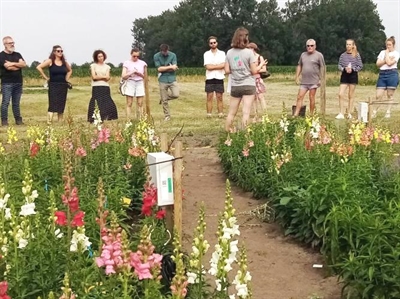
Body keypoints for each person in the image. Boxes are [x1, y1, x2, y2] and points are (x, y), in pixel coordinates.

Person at [224, 27, 261, 131]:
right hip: (248, 84)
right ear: (246, 38)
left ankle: (227, 133)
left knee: (231, 112)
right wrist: (261, 65)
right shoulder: (249, 53)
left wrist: (236, 70)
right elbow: (254, 71)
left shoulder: (229, 52)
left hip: (235, 85)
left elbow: (227, 70)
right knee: (246, 112)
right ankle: (245, 136)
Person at [37, 45, 72, 124]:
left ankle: (60, 122)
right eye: (58, 51)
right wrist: (46, 77)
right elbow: (39, 67)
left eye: (61, 51)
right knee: (52, 103)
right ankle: (49, 121)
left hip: (63, 85)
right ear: (54, 52)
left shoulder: (64, 62)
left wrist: (66, 79)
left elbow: (70, 70)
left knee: (61, 104)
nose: (60, 52)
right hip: (53, 85)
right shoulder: (50, 61)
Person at [294, 39, 325, 116]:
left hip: (314, 81)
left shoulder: (319, 55)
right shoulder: (303, 55)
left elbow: (322, 67)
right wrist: (297, 76)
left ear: (315, 46)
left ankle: (311, 115)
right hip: (304, 81)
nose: (310, 47)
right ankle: (296, 114)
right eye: (308, 46)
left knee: (311, 97)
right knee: (299, 97)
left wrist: (321, 79)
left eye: (311, 45)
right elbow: (299, 65)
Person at [0, 36, 26, 126]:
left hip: (18, 82)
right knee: (5, 102)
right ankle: (4, 121)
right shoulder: (1, 55)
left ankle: (18, 120)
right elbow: (8, 67)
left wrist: (12, 63)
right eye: (10, 43)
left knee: (16, 103)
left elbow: (23, 64)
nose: (12, 44)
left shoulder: (17, 54)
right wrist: (17, 65)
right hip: (7, 82)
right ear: (5, 44)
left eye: (13, 42)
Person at [372, 36, 399, 119]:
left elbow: (390, 63)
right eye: (387, 45)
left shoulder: (396, 53)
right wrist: (385, 60)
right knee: (378, 95)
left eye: (390, 45)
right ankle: (374, 111)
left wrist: (386, 55)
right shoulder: (382, 52)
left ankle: (388, 112)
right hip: (382, 74)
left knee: (389, 94)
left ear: (393, 45)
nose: (388, 46)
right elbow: (378, 64)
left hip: (392, 74)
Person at [87, 50, 118, 123]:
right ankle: (94, 117)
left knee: (106, 101)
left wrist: (99, 76)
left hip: (105, 86)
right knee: (96, 101)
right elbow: (94, 77)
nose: (101, 58)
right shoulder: (93, 66)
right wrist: (103, 77)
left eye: (102, 56)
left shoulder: (107, 67)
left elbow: (108, 78)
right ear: (96, 57)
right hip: (96, 86)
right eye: (99, 56)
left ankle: (106, 116)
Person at [336, 39, 363, 119]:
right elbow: (339, 65)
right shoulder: (342, 55)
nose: (348, 46)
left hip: (353, 75)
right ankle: (341, 112)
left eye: (350, 44)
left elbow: (360, 66)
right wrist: (344, 69)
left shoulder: (356, 55)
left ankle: (349, 113)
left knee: (350, 95)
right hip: (344, 75)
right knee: (341, 94)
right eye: (347, 44)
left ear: (353, 45)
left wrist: (353, 69)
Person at [154, 44, 179, 121]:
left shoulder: (173, 55)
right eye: (164, 51)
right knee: (165, 101)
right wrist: (170, 67)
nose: (165, 53)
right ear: (161, 51)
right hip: (162, 79)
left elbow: (174, 68)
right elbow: (159, 69)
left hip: (172, 78)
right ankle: (167, 115)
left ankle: (163, 98)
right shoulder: (156, 56)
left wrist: (165, 68)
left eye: (166, 51)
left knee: (176, 94)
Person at [121, 48, 147, 120]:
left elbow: (146, 77)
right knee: (129, 102)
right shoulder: (126, 63)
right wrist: (131, 72)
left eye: (137, 56)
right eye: (134, 56)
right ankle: (128, 119)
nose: (136, 58)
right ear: (131, 55)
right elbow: (123, 76)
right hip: (130, 81)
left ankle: (141, 119)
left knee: (140, 103)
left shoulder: (142, 63)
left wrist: (139, 74)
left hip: (139, 82)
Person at [203, 36, 226, 118]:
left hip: (219, 77)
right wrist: (218, 66)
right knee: (209, 96)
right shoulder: (206, 54)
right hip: (210, 77)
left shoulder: (222, 53)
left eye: (214, 42)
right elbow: (208, 67)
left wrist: (213, 66)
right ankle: (209, 114)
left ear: (217, 43)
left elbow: (224, 65)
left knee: (219, 96)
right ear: (209, 44)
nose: (213, 44)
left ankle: (220, 113)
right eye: (211, 43)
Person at [247, 42, 267, 121]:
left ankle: (265, 115)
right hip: (250, 79)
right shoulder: (248, 58)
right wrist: (257, 68)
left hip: (258, 79)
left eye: (249, 48)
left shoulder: (259, 57)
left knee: (261, 97)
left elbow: (264, 69)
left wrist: (256, 70)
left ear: (253, 49)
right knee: (253, 98)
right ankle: (256, 115)